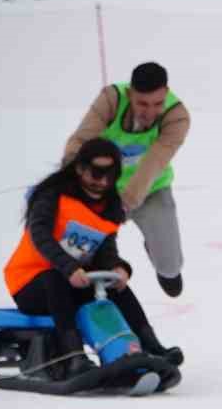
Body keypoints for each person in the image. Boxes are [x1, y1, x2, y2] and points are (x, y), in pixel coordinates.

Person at [2, 138, 180, 378]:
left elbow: (105, 250)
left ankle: (150, 346)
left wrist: (118, 268)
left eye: (110, 174)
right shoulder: (54, 196)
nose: (102, 181)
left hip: (75, 281)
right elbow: (40, 236)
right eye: (96, 173)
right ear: (80, 169)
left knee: (117, 288)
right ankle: (73, 356)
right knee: (54, 279)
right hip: (31, 282)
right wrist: (68, 268)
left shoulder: (110, 207)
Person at [63, 61, 191, 298]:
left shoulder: (177, 117)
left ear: (166, 94)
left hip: (151, 189)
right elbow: (79, 143)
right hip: (101, 189)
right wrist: (69, 180)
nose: (150, 112)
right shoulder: (111, 100)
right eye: (142, 103)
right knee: (75, 256)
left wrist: (125, 202)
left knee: (170, 268)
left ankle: (156, 248)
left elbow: (152, 164)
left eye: (157, 103)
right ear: (130, 94)